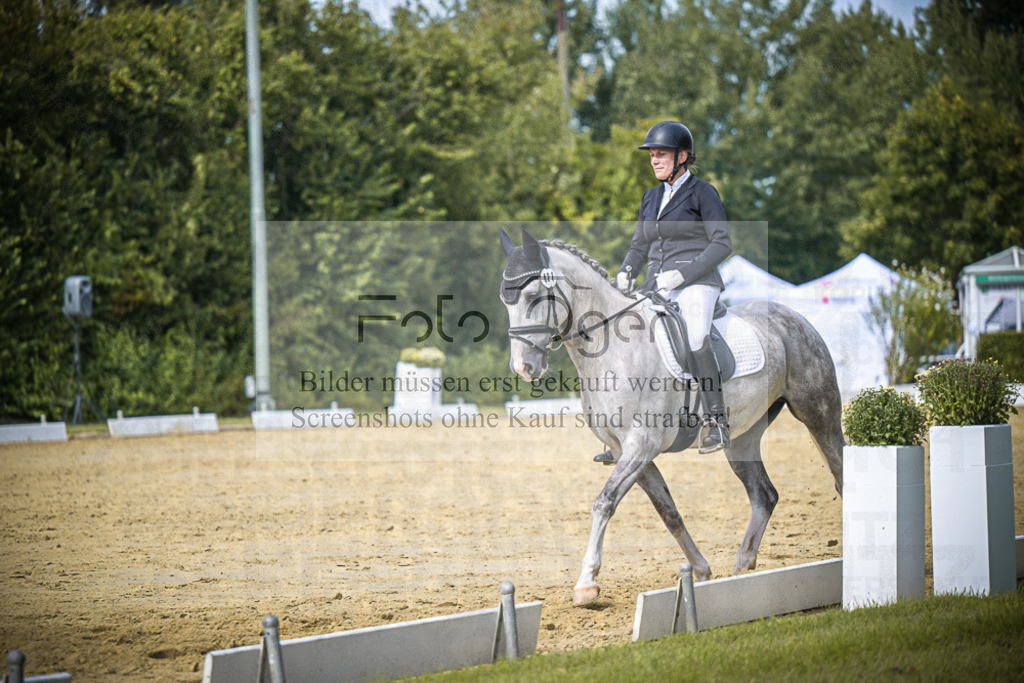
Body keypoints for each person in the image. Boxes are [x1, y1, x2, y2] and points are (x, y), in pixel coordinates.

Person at [600, 120, 733, 459]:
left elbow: (721, 244)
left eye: (661, 155)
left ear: (682, 157)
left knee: (697, 337)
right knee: (624, 332)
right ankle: (619, 429)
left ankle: (717, 420)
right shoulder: (650, 197)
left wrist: (684, 274)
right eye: (652, 155)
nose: (654, 160)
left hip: (697, 282)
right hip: (656, 284)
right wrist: (627, 270)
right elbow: (639, 245)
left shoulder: (703, 193)